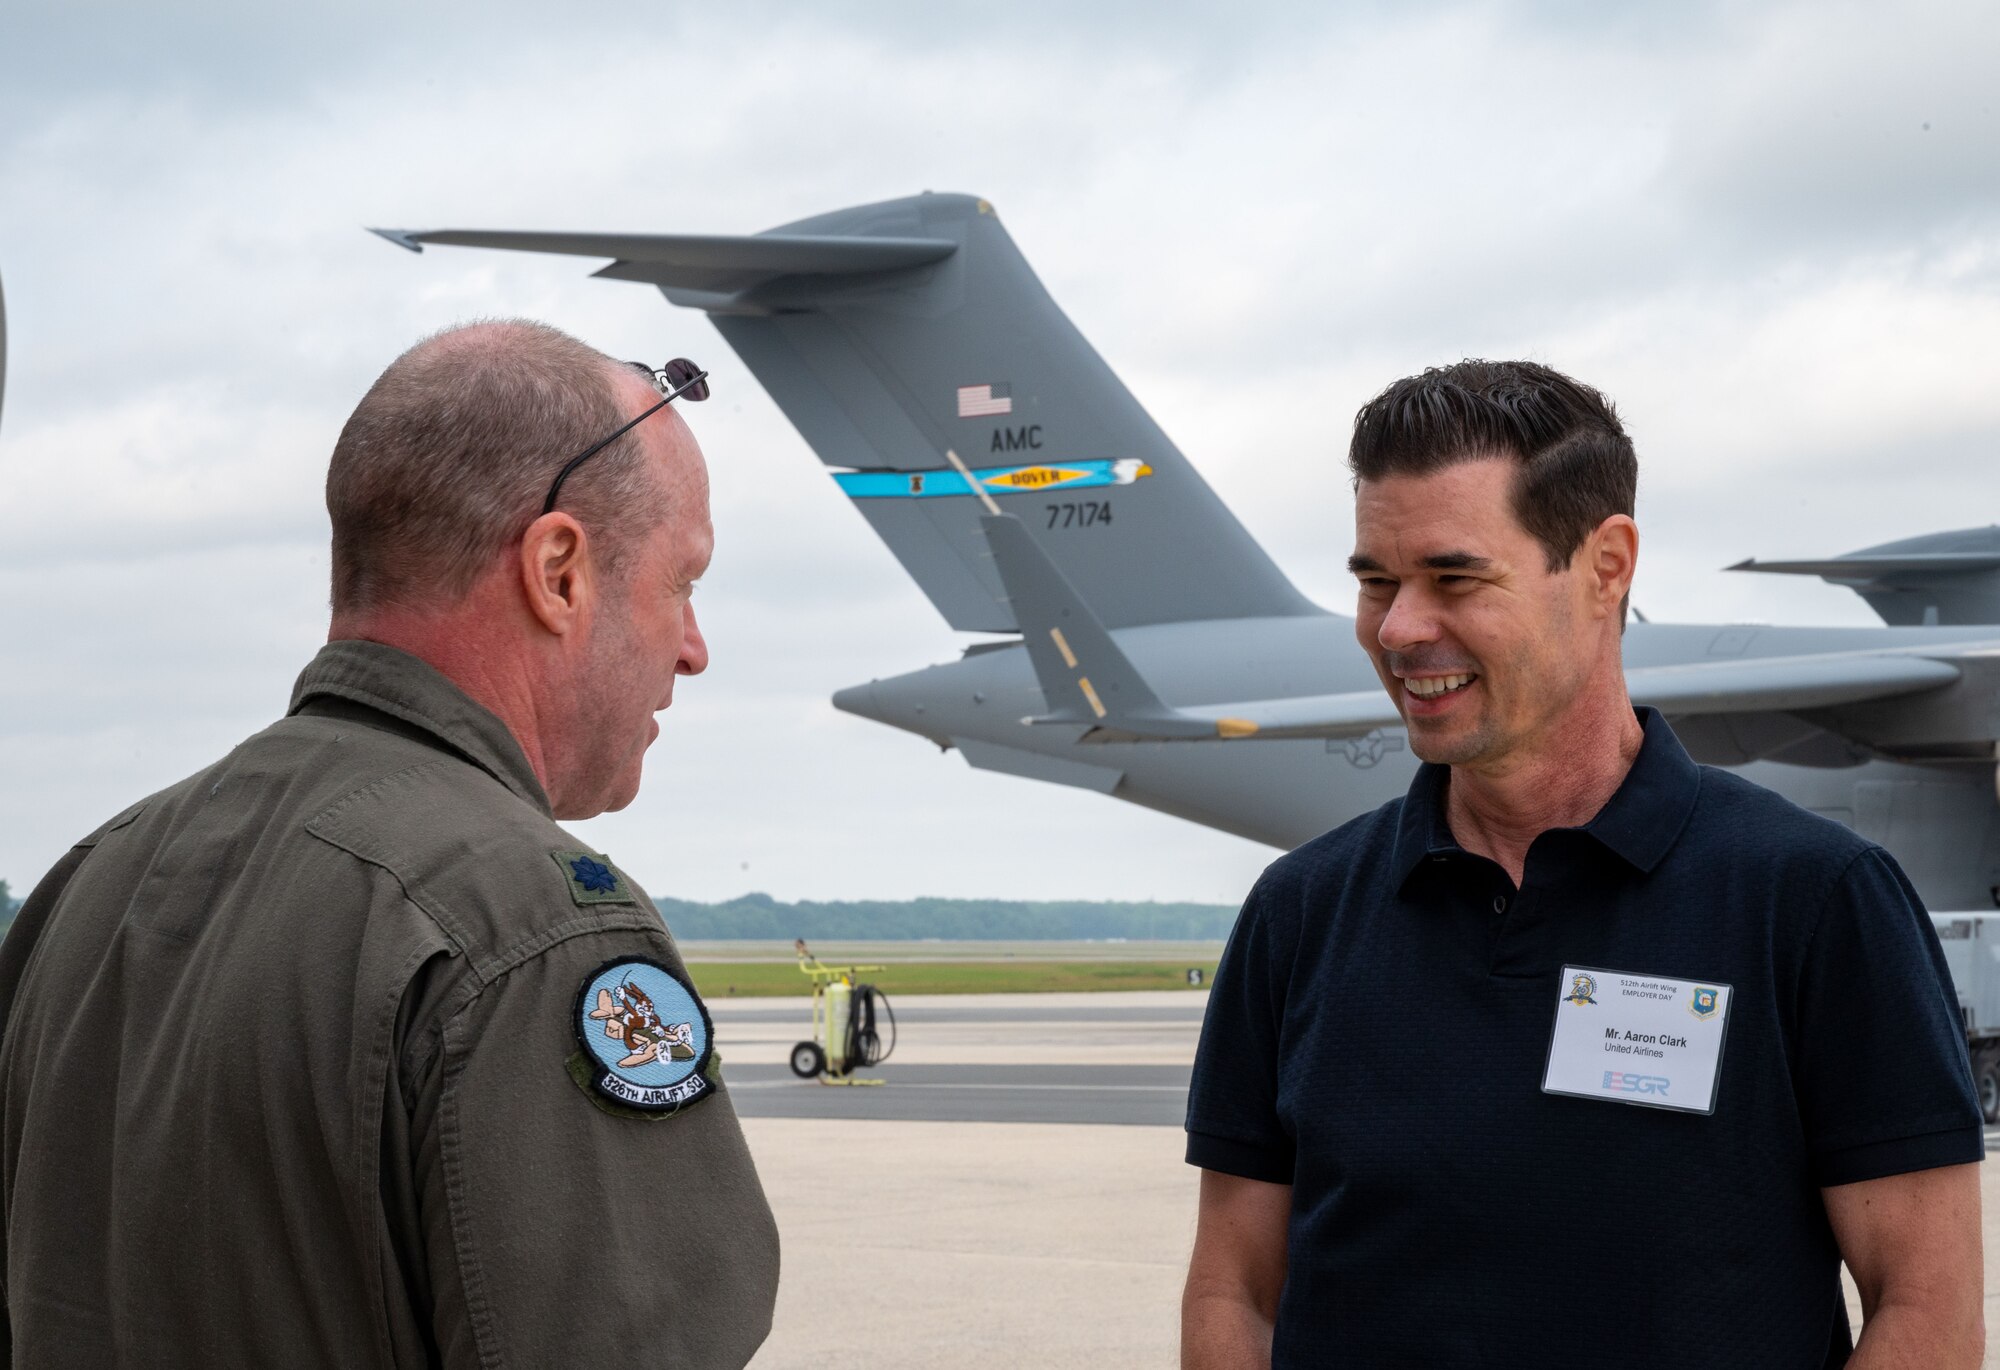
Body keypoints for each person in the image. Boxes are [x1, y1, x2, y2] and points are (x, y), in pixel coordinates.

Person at [0, 321, 779, 1367]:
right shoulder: (531, 928)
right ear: (556, 571)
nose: (693, 648)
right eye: (682, 581)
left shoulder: (87, 885)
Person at [1180, 360, 1985, 1368]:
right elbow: (1233, 1291)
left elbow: (1930, 1312)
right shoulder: (1299, 913)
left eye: (1453, 576)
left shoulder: (1812, 901)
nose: (1396, 629)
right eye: (1376, 582)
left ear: (1605, 565)